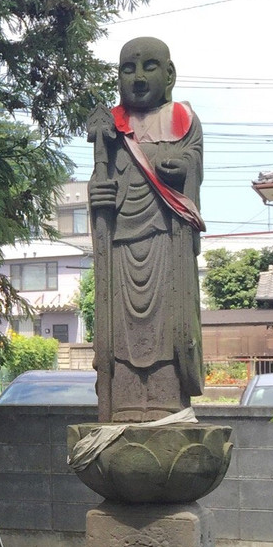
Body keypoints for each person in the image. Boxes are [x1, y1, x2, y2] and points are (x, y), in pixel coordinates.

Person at [87, 37, 204, 423]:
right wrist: (97, 194)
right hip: (120, 243)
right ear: (117, 77)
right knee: (122, 327)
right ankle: (124, 402)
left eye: (149, 66)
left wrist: (184, 168)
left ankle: (166, 401)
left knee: (167, 326)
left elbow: (194, 170)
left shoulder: (183, 121)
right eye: (128, 68)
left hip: (167, 241)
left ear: (169, 74)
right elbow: (100, 183)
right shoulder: (111, 129)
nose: (138, 77)